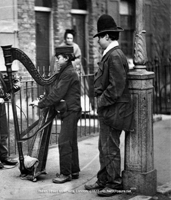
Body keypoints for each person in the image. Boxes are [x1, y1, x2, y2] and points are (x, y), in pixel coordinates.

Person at [84, 14, 133, 197]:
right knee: (103, 147)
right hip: (110, 110)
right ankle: (103, 180)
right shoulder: (111, 54)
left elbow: (117, 87)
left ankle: (114, 183)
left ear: (107, 36)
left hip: (114, 110)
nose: (97, 41)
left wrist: (100, 101)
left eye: (99, 38)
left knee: (110, 147)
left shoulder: (114, 55)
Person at [31, 46, 81, 184]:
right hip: (71, 110)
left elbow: (57, 94)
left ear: (66, 58)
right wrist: (44, 98)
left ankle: (66, 173)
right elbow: (56, 91)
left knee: (64, 141)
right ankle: (74, 170)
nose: (57, 60)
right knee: (70, 141)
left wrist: (41, 104)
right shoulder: (65, 71)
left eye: (59, 58)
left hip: (71, 110)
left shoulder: (68, 73)